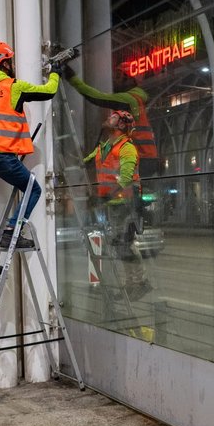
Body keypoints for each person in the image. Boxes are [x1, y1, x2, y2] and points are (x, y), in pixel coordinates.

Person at [0, 40, 60, 280]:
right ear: (5, 63)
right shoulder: (13, 86)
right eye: (11, 61)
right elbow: (49, 90)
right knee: (33, 189)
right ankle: (11, 231)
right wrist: (56, 72)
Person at [83, 110, 151, 300]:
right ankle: (132, 284)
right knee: (121, 245)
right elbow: (85, 162)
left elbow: (126, 179)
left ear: (121, 125)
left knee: (125, 245)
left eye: (113, 118)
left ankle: (140, 283)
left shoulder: (126, 148)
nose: (108, 119)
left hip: (127, 203)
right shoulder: (104, 147)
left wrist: (104, 197)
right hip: (114, 203)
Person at [63, 64, 161, 177]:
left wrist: (72, 78)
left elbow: (97, 97)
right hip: (146, 157)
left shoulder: (129, 99)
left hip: (139, 159)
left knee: (122, 187)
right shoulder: (139, 100)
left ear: (129, 80)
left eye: (118, 77)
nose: (114, 80)